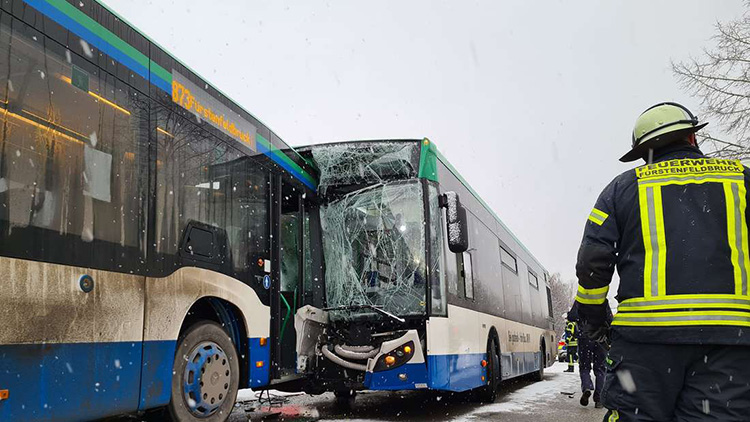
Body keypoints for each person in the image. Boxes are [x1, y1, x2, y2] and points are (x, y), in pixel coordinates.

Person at [573, 102, 750, 422]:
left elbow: (592, 262)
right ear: (692, 139)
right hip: (730, 343)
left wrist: (595, 316)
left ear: (643, 151)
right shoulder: (741, 180)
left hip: (644, 345)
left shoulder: (622, 188)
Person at [568, 301, 612, 408]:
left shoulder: (581, 299)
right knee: (600, 369)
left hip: (585, 337)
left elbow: (572, 316)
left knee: (584, 367)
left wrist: (582, 320)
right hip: (601, 338)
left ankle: (587, 387)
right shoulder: (603, 300)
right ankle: (599, 399)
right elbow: (610, 319)